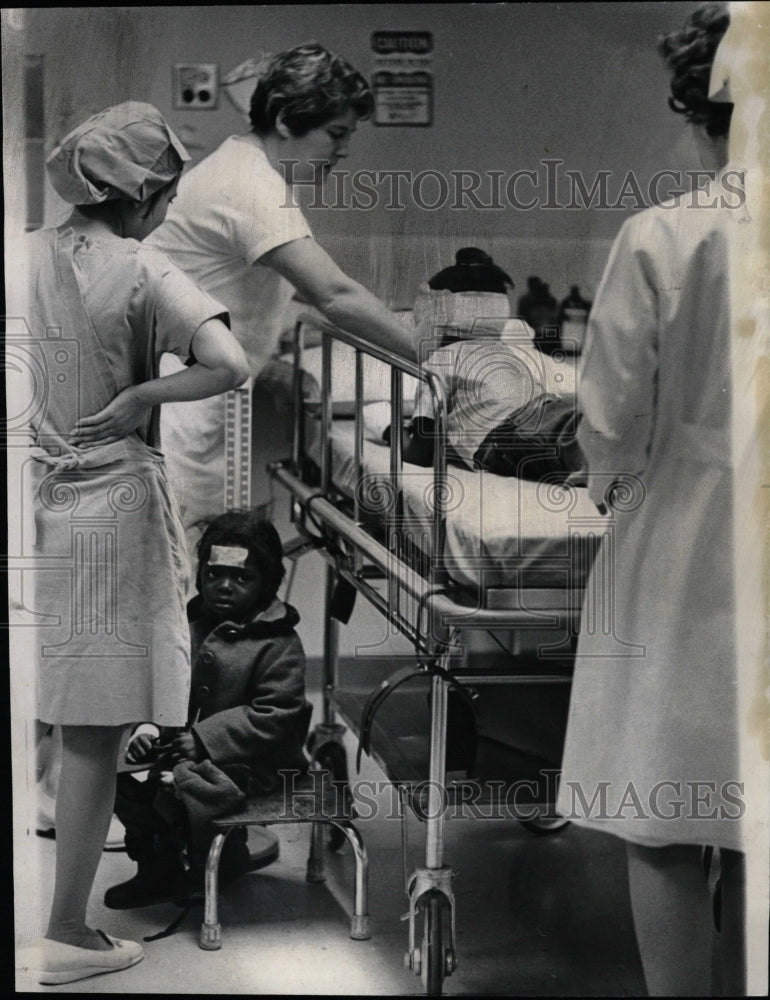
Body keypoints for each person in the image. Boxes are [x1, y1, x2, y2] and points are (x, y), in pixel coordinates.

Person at [26, 102, 249, 985]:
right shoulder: (144, 269)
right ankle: (65, 934)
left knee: (70, 707)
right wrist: (145, 399)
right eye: (165, 194)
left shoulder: (24, 254)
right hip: (110, 506)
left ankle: (60, 903)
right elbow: (231, 366)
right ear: (144, 192)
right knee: (96, 726)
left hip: (43, 498)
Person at [555, 4, 747, 995]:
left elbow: (610, 417)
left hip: (684, 541)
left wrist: (607, 482)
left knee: (667, 813)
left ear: (694, 106)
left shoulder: (662, 235)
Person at [147, 42, 417, 555]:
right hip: (182, 406)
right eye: (335, 134)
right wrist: (432, 358)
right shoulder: (251, 184)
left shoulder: (248, 168)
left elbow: (239, 291)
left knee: (202, 556)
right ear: (287, 121)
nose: (343, 151)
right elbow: (334, 294)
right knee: (183, 562)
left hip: (194, 392)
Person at [103, 512, 311, 909]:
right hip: (186, 749)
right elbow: (163, 685)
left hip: (257, 762)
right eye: (215, 575)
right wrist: (149, 730)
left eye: (242, 578)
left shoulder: (279, 642)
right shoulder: (188, 625)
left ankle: (215, 864)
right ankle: (156, 868)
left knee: (194, 788)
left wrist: (203, 739)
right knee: (123, 782)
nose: (225, 587)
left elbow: (277, 712)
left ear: (265, 585)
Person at [367, 251, 584, 482]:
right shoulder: (511, 355)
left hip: (505, 435)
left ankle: (597, 454)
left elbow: (420, 454)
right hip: (540, 414)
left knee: (563, 433)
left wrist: (389, 428)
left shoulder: (440, 362)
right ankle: (602, 451)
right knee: (577, 422)